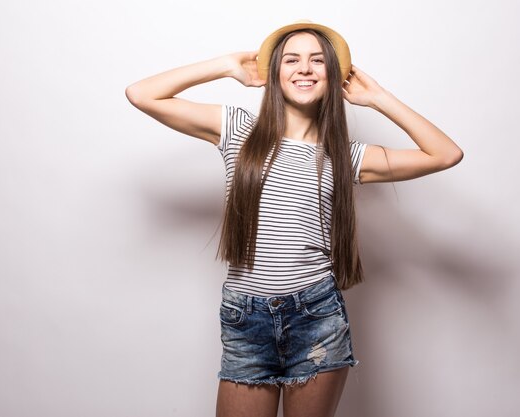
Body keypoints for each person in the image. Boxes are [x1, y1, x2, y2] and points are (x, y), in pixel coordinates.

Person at [125, 20, 463, 417]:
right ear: (274, 73)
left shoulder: (345, 156)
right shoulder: (238, 129)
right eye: (291, 60)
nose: (305, 68)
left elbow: (444, 154)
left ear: (333, 76)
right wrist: (226, 65)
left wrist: (379, 98)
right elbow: (141, 94)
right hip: (245, 316)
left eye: (318, 61)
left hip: (316, 315)